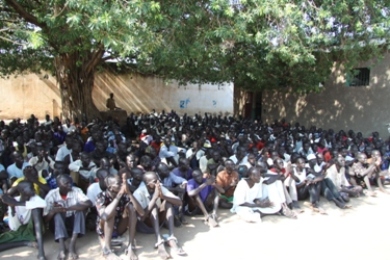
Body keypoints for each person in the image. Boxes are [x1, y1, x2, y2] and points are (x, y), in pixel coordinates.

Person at [133, 171, 186, 259]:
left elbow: (179, 202)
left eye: (158, 180)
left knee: (168, 203)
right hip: (145, 225)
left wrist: (162, 196)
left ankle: (171, 237)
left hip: (157, 223)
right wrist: (154, 198)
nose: (158, 183)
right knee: (153, 206)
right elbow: (141, 218)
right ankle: (159, 241)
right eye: (154, 181)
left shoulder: (159, 187)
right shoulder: (138, 192)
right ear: (147, 183)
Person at [43, 174, 92, 260]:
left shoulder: (76, 191)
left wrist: (68, 208)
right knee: (57, 214)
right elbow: (45, 220)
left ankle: (72, 246)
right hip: (58, 226)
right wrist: (53, 211)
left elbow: (88, 203)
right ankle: (62, 248)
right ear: (58, 185)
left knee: (80, 211)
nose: (70, 185)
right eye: (66, 183)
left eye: (71, 182)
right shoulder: (52, 195)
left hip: (73, 224)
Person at [96, 173, 144, 260]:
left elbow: (141, 213)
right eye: (119, 183)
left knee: (131, 207)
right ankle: (107, 250)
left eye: (122, 183)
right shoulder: (101, 196)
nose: (123, 185)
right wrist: (118, 196)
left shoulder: (124, 196)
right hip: (105, 229)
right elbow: (104, 217)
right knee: (111, 212)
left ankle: (130, 246)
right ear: (110, 187)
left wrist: (129, 193)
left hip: (119, 228)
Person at [0, 181, 47, 260]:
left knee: (36, 210)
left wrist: (16, 203)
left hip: (32, 231)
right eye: (30, 188)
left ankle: (41, 252)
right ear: (21, 191)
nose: (33, 189)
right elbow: (4, 197)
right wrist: (12, 207)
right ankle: (25, 243)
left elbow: (44, 204)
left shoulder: (35, 198)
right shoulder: (13, 200)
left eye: (32, 187)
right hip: (16, 231)